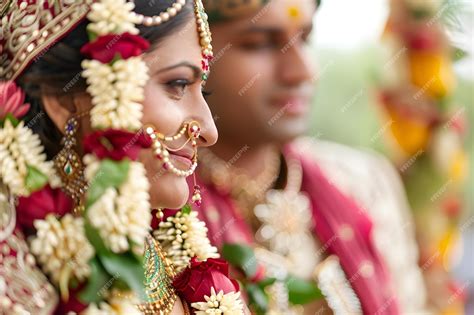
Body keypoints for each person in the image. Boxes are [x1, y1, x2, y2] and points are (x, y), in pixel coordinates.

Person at [192, 0, 429, 313]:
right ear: (192, 56)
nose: (303, 71)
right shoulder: (153, 203)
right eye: (260, 43)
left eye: (305, 38)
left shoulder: (365, 183)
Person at [0, 0, 220, 313]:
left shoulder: (182, 262)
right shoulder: (15, 287)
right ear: (67, 102)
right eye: (178, 84)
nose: (209, 131)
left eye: (204, 91)